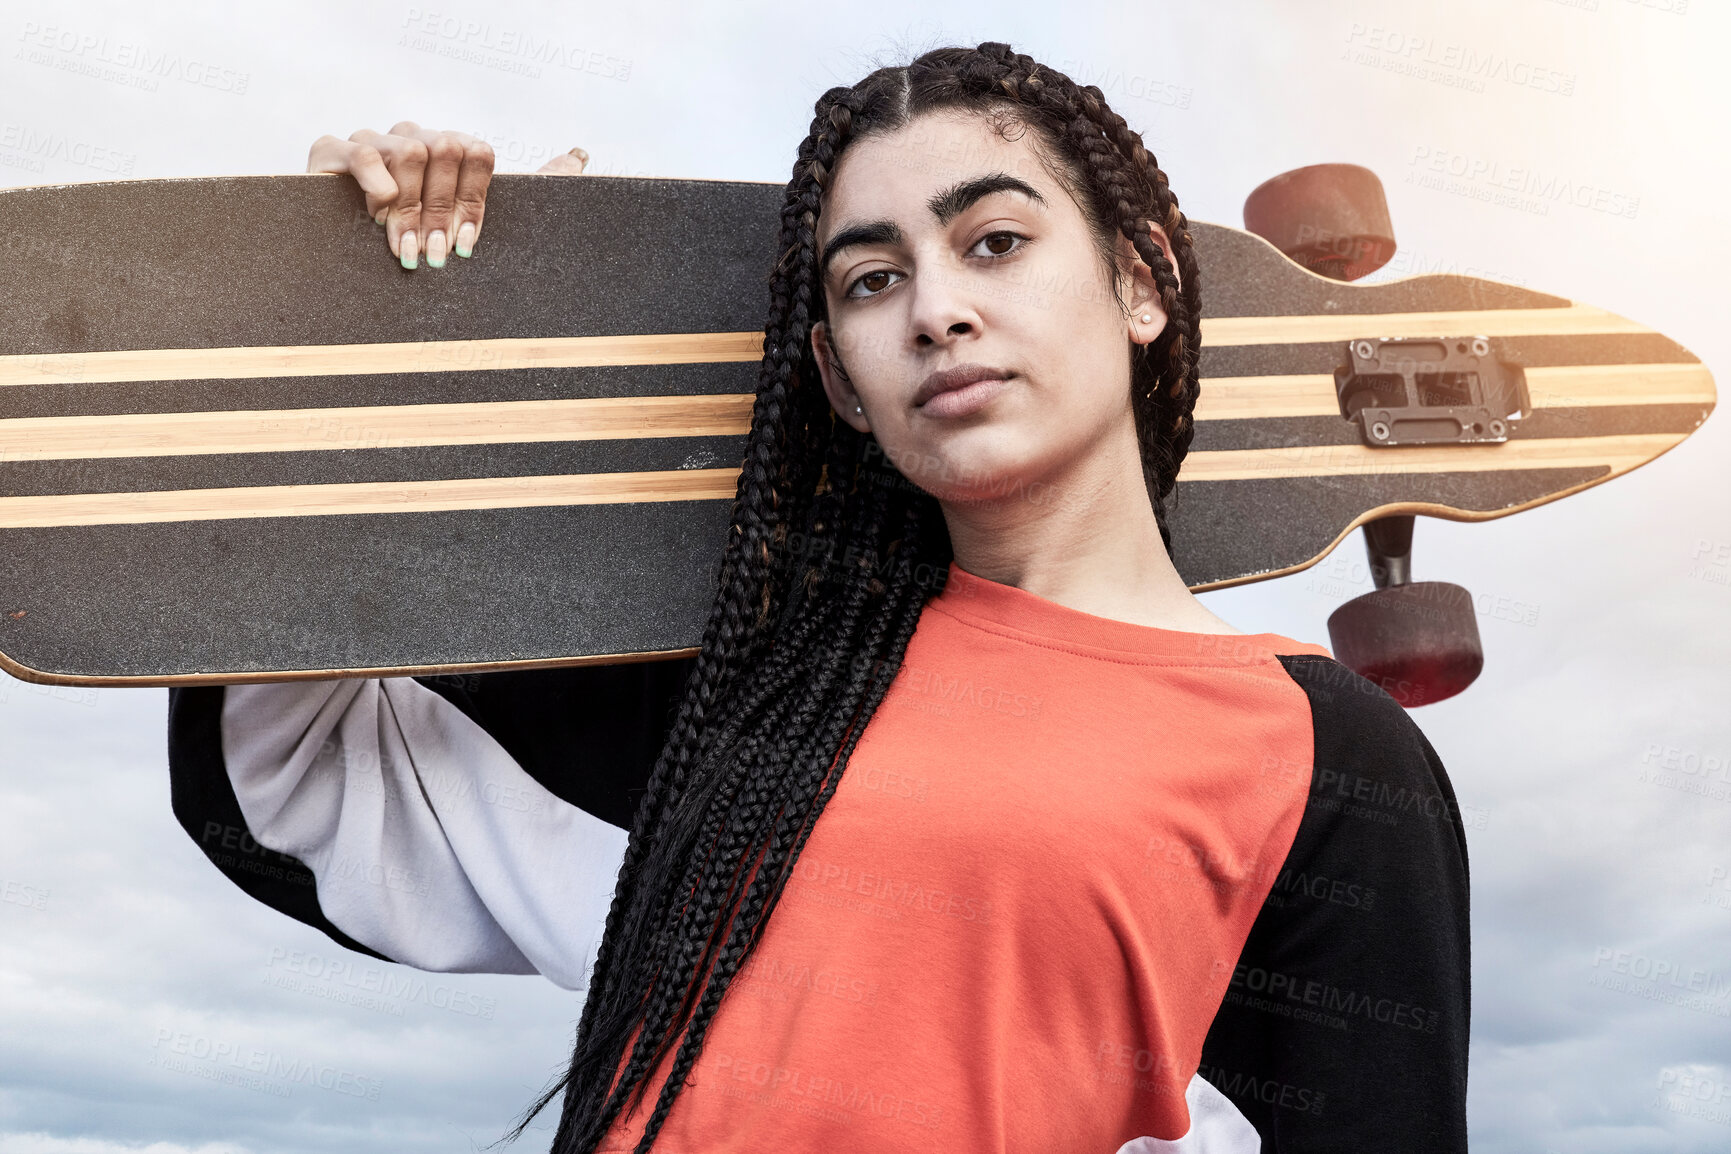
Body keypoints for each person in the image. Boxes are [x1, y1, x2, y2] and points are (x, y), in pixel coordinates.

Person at [167, 42, 1470, 1154]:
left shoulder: (1327, 761)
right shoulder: (740, 699)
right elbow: (292, 787)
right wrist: (366, 323)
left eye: (995, 241)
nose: (937, 310)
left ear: (1142, 281)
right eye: (870, 279)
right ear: (841, 381)